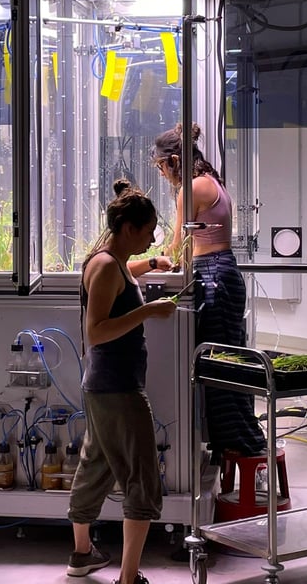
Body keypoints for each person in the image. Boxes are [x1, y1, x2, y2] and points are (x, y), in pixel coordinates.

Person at [66, 179, 177, 584]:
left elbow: (121, 274)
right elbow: (95, 331)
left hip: (103, 386)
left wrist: (152, 263)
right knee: (141, 478)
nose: (151, 240)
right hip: (118, 389)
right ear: (129, 228)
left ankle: (82, 554)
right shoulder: (104, 266)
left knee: (96, 465)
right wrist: (148, 311)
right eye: (148, 233)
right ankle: (129, 579)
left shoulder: (109, 261)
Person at [152, 123, 267, 458]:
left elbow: (178, 249)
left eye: (161, 166)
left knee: (219, 364)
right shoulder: (211, 181)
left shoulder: (191, 189)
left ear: (174, 160)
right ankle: (240, 438)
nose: (161, 173)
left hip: (213, 274)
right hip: (224, 271)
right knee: (229, 359)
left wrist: (149, 262)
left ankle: (238, 442)